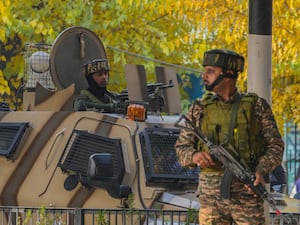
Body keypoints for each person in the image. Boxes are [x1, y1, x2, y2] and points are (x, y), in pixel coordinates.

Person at [175, 49, 284, 225]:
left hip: (247, 196)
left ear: (229, 73)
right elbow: (182, 148)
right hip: (211, 199)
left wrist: (261, 169)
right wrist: (195, 156)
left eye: (211, 71)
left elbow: (276, 146)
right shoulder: (199, 109)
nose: (204, 76)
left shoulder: (256, 107)